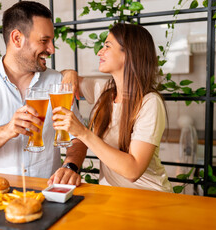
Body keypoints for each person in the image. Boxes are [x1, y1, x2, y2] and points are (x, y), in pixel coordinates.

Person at [0, 1, 87, 186]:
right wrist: (7, 130)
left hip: (48, 193)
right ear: (17, 38)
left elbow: (77, 137)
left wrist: (70, 166)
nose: (52, 49)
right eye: (44, 40)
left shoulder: (57, 81)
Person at [55, 23, 173, 192]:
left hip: (149, 196)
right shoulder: (104, 91)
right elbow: (60, 78)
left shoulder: (149, 102)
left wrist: (82, 132)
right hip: (114, 196)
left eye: (107, 46)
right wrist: (70, 72)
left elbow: (133, 170)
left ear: (129, 54)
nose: (99, 52)